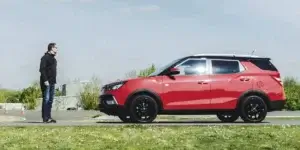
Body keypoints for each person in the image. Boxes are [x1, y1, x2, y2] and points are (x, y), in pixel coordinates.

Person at [39, 42, 58, 123]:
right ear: (51, 48)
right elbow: (42, 70)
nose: (57, 49)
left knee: (50, 100)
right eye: (55, 47)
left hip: (52, 82)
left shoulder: (54, 59)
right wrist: (45, 80)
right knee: (46, 99)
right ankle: (45, 118)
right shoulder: (45, 58)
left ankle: (49, 117)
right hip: (46, 82)